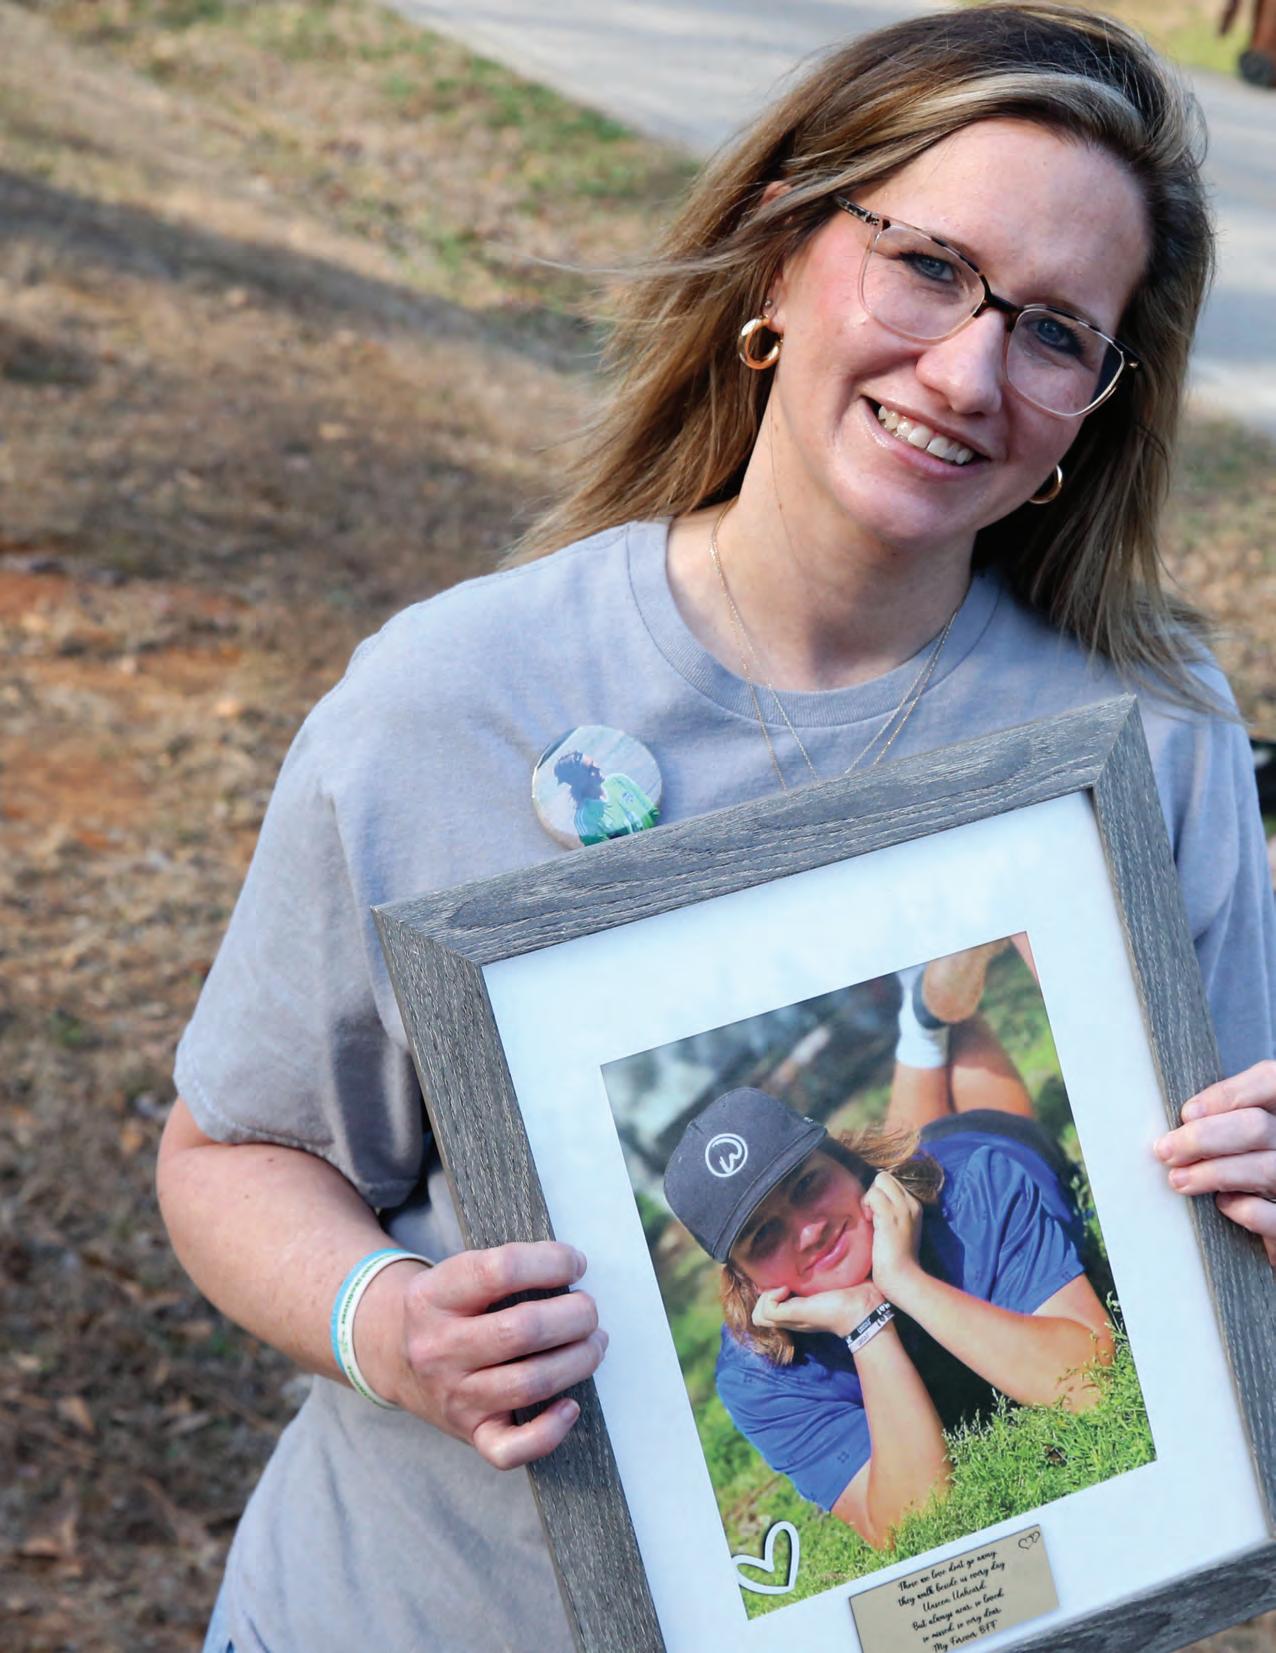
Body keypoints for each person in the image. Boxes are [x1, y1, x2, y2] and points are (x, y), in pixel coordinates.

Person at [155, 6, 1276, 1649]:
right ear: (779, 254)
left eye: (1053, 332)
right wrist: (390, 1323)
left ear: (1097, 402)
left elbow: (1218, 1188)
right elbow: (234, 1151)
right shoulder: (447, 703)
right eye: (929, 267)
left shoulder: (1149, 732)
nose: (967, 372)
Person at [662, 1082, 1112, 1547]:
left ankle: (932, 1041)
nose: (809, 1231)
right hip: (928, 1158)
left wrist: (906, 1281)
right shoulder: (756, 1377)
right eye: (765, 1236)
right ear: (745, 1279)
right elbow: (916, 1524)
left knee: (965, 1099)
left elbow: (1091, 1385)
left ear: (845, 1162)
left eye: (807, 1185)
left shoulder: (978, 1189)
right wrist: (865, 1324)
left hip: (997, 1139)